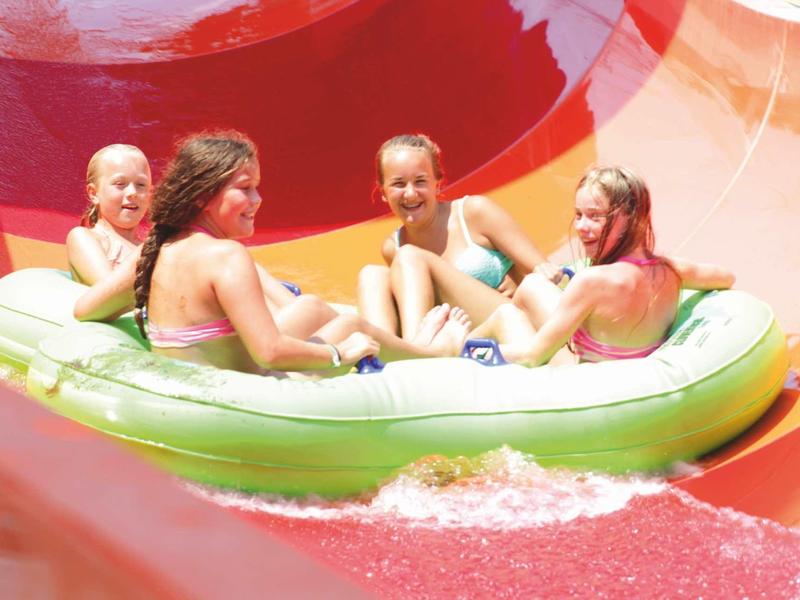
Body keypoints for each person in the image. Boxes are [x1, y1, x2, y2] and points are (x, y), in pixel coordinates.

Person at [74, 131, 471, 375]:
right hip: (244, 391)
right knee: (356, 329)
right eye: (244, 188)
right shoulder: (225, 257)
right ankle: (434, 353)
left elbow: (85, 309)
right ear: (205, 195)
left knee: (315, 307)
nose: (257, 199)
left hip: (200, 379)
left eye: (256, 187)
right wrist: (337, 353)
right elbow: (269, 352)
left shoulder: (159, 248)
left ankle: (418, 345)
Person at [471, 166, 735, 366]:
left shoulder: (593, 283)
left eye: (596, 217)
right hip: (633, 363)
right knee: (534, 285)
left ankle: (446, 344)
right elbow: (726, 277)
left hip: (584, 381)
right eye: (578, 215)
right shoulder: (674, 271)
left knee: (513, 306)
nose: (581, 227)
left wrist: (463, 352)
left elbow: (532, 355)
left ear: (632, 218)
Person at [357, 133, 561, 343]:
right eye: (398, 184)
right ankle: (382, 350)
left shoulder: (474, 212)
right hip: (459, 332)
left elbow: (543, 271)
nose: (410, 193)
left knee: (410, 256)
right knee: (372, 275)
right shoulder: (393, 247)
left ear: (437, 182)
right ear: (383, 192)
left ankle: (415, 350)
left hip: (509, 321)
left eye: (420, 181)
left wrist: (532, 276)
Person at [66, 144, 152, 284]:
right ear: (94, 193)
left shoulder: (150, 247)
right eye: (120, 183)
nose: (132, 193)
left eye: (141, 185)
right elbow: (107, 290)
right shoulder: (84, 237)